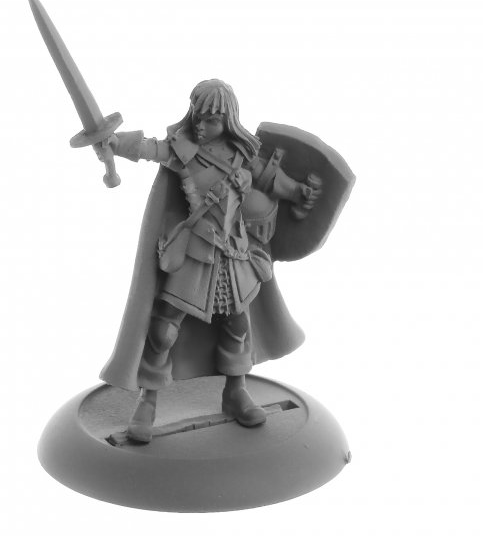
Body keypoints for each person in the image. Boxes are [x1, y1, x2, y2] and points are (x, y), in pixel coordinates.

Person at [95, 79, 321, 442]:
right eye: (198, 116)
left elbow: (269, 178)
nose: (201, 126)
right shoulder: (182, 148)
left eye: (211, 120)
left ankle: (236, 392)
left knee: (238, 326)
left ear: (227, 121)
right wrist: (114, 143)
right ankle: (148, 401)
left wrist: (299, 191)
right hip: (195, 253)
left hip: (233, 255)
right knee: (163, 330)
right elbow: (150, 148)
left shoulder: (242, 153)